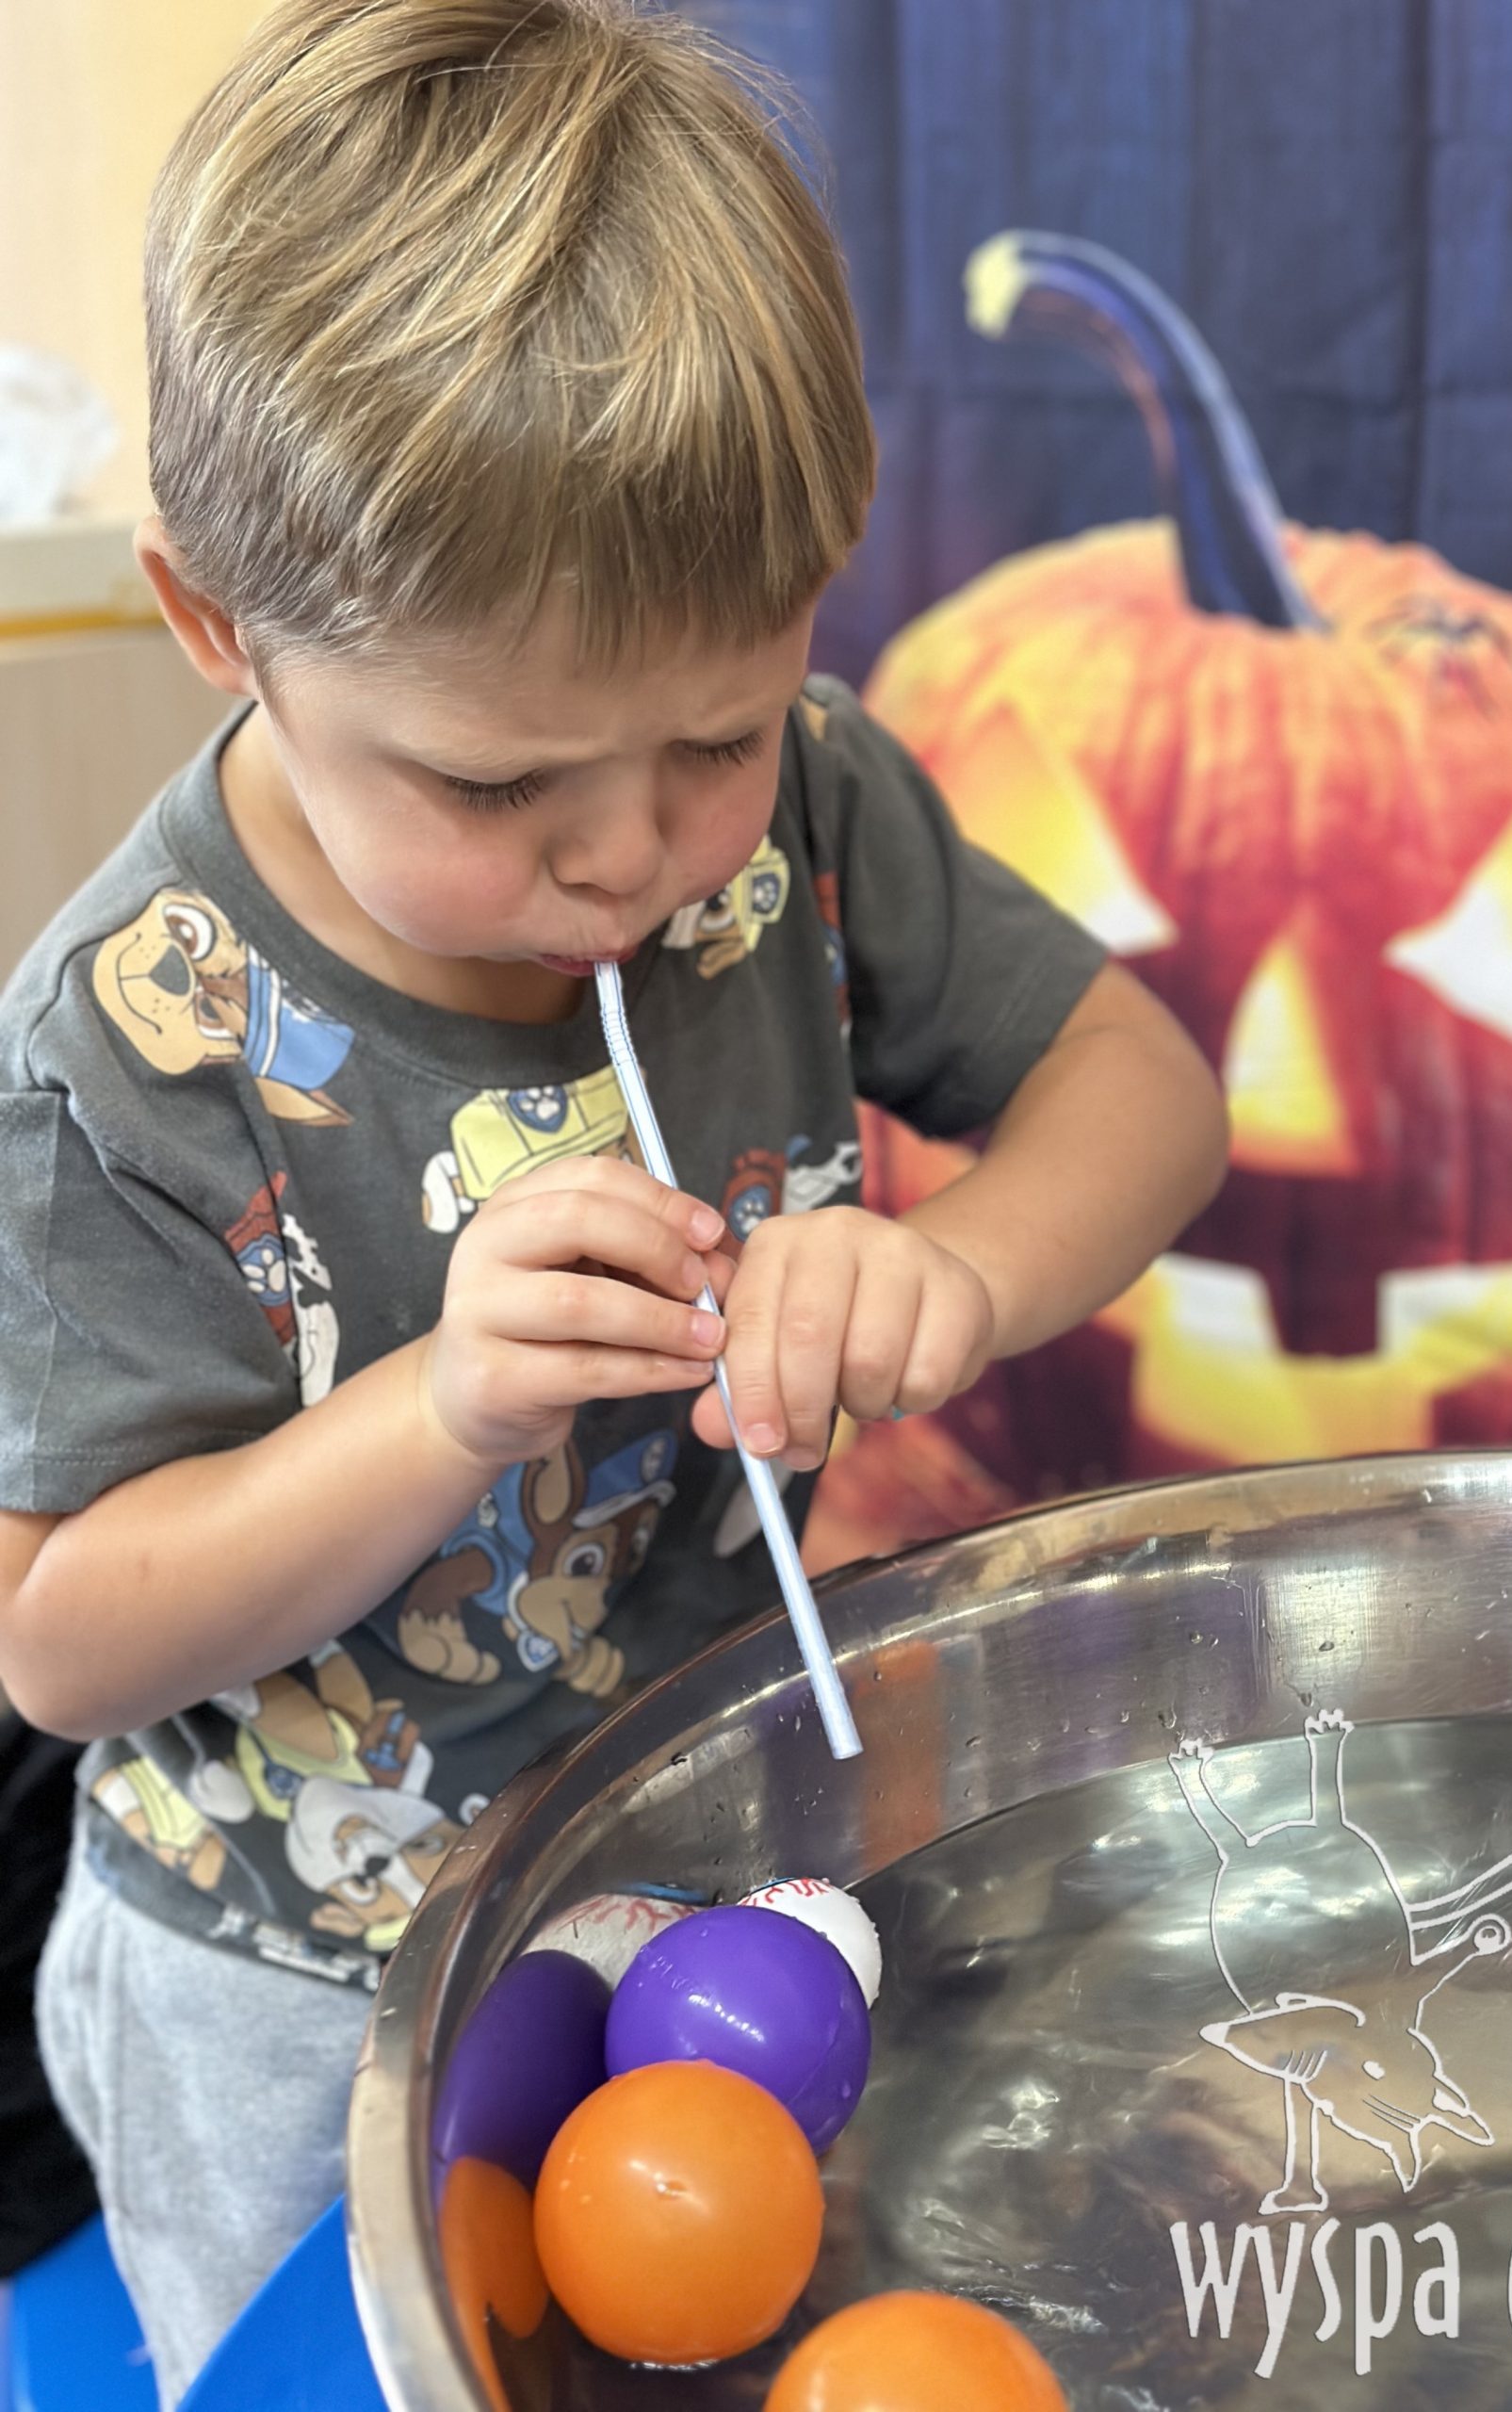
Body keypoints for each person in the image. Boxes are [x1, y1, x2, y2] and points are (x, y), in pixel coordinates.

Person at [0, 1, 1227, 2398]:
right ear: (219, 627)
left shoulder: (804, 819)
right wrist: (443, 1405)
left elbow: (1145, 1091)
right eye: (494, 781)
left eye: (715, 729)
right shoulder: (111, 1061)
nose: (635, 852)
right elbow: (58, 1641)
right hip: (291, 1989)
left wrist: (959, 1268)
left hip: (717, 1839)